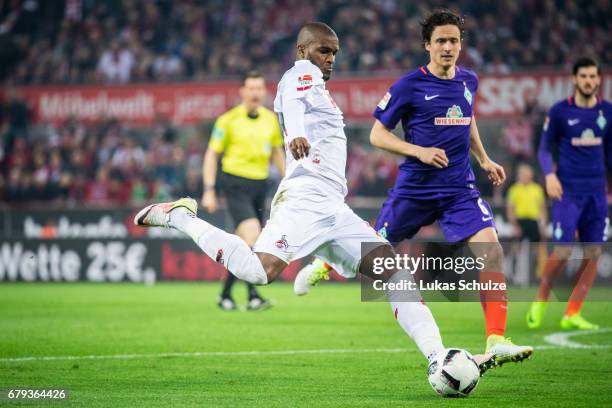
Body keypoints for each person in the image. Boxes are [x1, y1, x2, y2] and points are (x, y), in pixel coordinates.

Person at [134, 22, 495, 375]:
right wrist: (299, 135)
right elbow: (292, 103)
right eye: (324, 50)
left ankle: (437, 359)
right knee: (259, 272)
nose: (330, 59)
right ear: (303, 50)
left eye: (334, 53)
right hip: (304, 201)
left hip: (333, 209)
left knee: (395, 273)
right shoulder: (299, 74)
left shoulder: (320, 90)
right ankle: (180, 216)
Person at [295, 9, 533, 366]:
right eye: (441, 41)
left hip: (459, 189)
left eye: (454, 40)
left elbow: (466, 119)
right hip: (415, 190)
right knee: (374, 245)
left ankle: (496, 339)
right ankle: (325, 264)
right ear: (427, 45)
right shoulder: (409, 85)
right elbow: (377, 134)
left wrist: (483, 158)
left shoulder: (469, 80)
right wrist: (418, 150)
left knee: (492, 250)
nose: (448, 47)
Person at [526, 57, 611, 330]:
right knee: (563, 250)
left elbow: (609, 154)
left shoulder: (607, 112)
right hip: (567, 191)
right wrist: (549, 175)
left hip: (597, 193)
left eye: (593, 77)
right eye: (583, 76)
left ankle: (572, 312)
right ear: (575, 79)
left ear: (599, 80)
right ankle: (540, 300)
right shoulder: (561, 111)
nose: (589, 81)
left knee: (594, 252)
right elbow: (543, 149)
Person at [202, 70, 285, 311]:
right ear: (242, 91)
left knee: (244, 245)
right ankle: (254, 295)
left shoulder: (270, 119)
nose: (255, 92)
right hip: (235, 184)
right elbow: (211, 155)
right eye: (251, 88)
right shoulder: (227, 120)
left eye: (259, 88)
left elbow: (277, 152)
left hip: (260, 186)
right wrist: (209, 189)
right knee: (254, 238)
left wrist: (289, 181)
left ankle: (226, 295)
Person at [506, 163, 547, 242]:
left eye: (526, 174)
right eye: (522, 174)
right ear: (519, 175)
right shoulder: (514, 190)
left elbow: (542, 208)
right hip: (519, 220)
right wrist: (515, 226)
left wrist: (543, 225)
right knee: (516, 245)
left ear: (531, 175)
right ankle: (515, 254)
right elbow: (510, 210)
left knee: (536, 246)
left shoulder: (537, 189)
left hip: (534, 221)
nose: (524, 176)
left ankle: (535, 254)